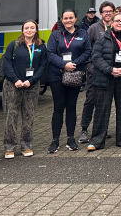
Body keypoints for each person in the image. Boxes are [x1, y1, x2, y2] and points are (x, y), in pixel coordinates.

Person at [87, 13, 121, 151]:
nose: (120, 23)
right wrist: (110, 70)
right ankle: (97, 140)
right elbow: (96, 56)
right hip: (105, 78)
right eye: (117, 20)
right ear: (112, 23)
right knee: (102, 110)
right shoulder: (103, 37)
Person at [46, 9, 91, 153]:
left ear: (76, 19)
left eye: (71, 18)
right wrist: (64, 65)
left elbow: (88, 51)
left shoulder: (83, 33)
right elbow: (50, 53)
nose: (68, 20)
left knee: (71, 106)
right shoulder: (55, 34)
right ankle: (55, 140)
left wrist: (74, 64)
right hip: (57, 75)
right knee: (59, 107)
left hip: (75, 74)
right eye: (65, 18)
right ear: (62, 20)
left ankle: (71, 138)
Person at [1, 20, 49, 158]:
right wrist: (15, 80)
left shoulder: (41, 47)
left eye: (32, 28)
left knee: (29, 116)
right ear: (22, 30)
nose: (29, 30)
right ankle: (9, 147)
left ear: (36, 30)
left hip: (31, 86)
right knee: (11, 115)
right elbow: (7, 63)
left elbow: (42, 67)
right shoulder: (14, 45)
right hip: (12, 85)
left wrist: (31, 81)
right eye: (26, 28)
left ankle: (26, 145)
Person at [79, 1, 115, 144]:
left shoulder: (116, 27)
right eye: (105, 11)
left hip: (111, 72)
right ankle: (84, 130)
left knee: (105, 103)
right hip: (95, 71)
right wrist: (90, 66)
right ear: (101, 14)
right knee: (90, 101)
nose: (108, 13)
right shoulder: (94, 28)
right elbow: (86, 48)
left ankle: (101, 130)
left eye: (110, 11)